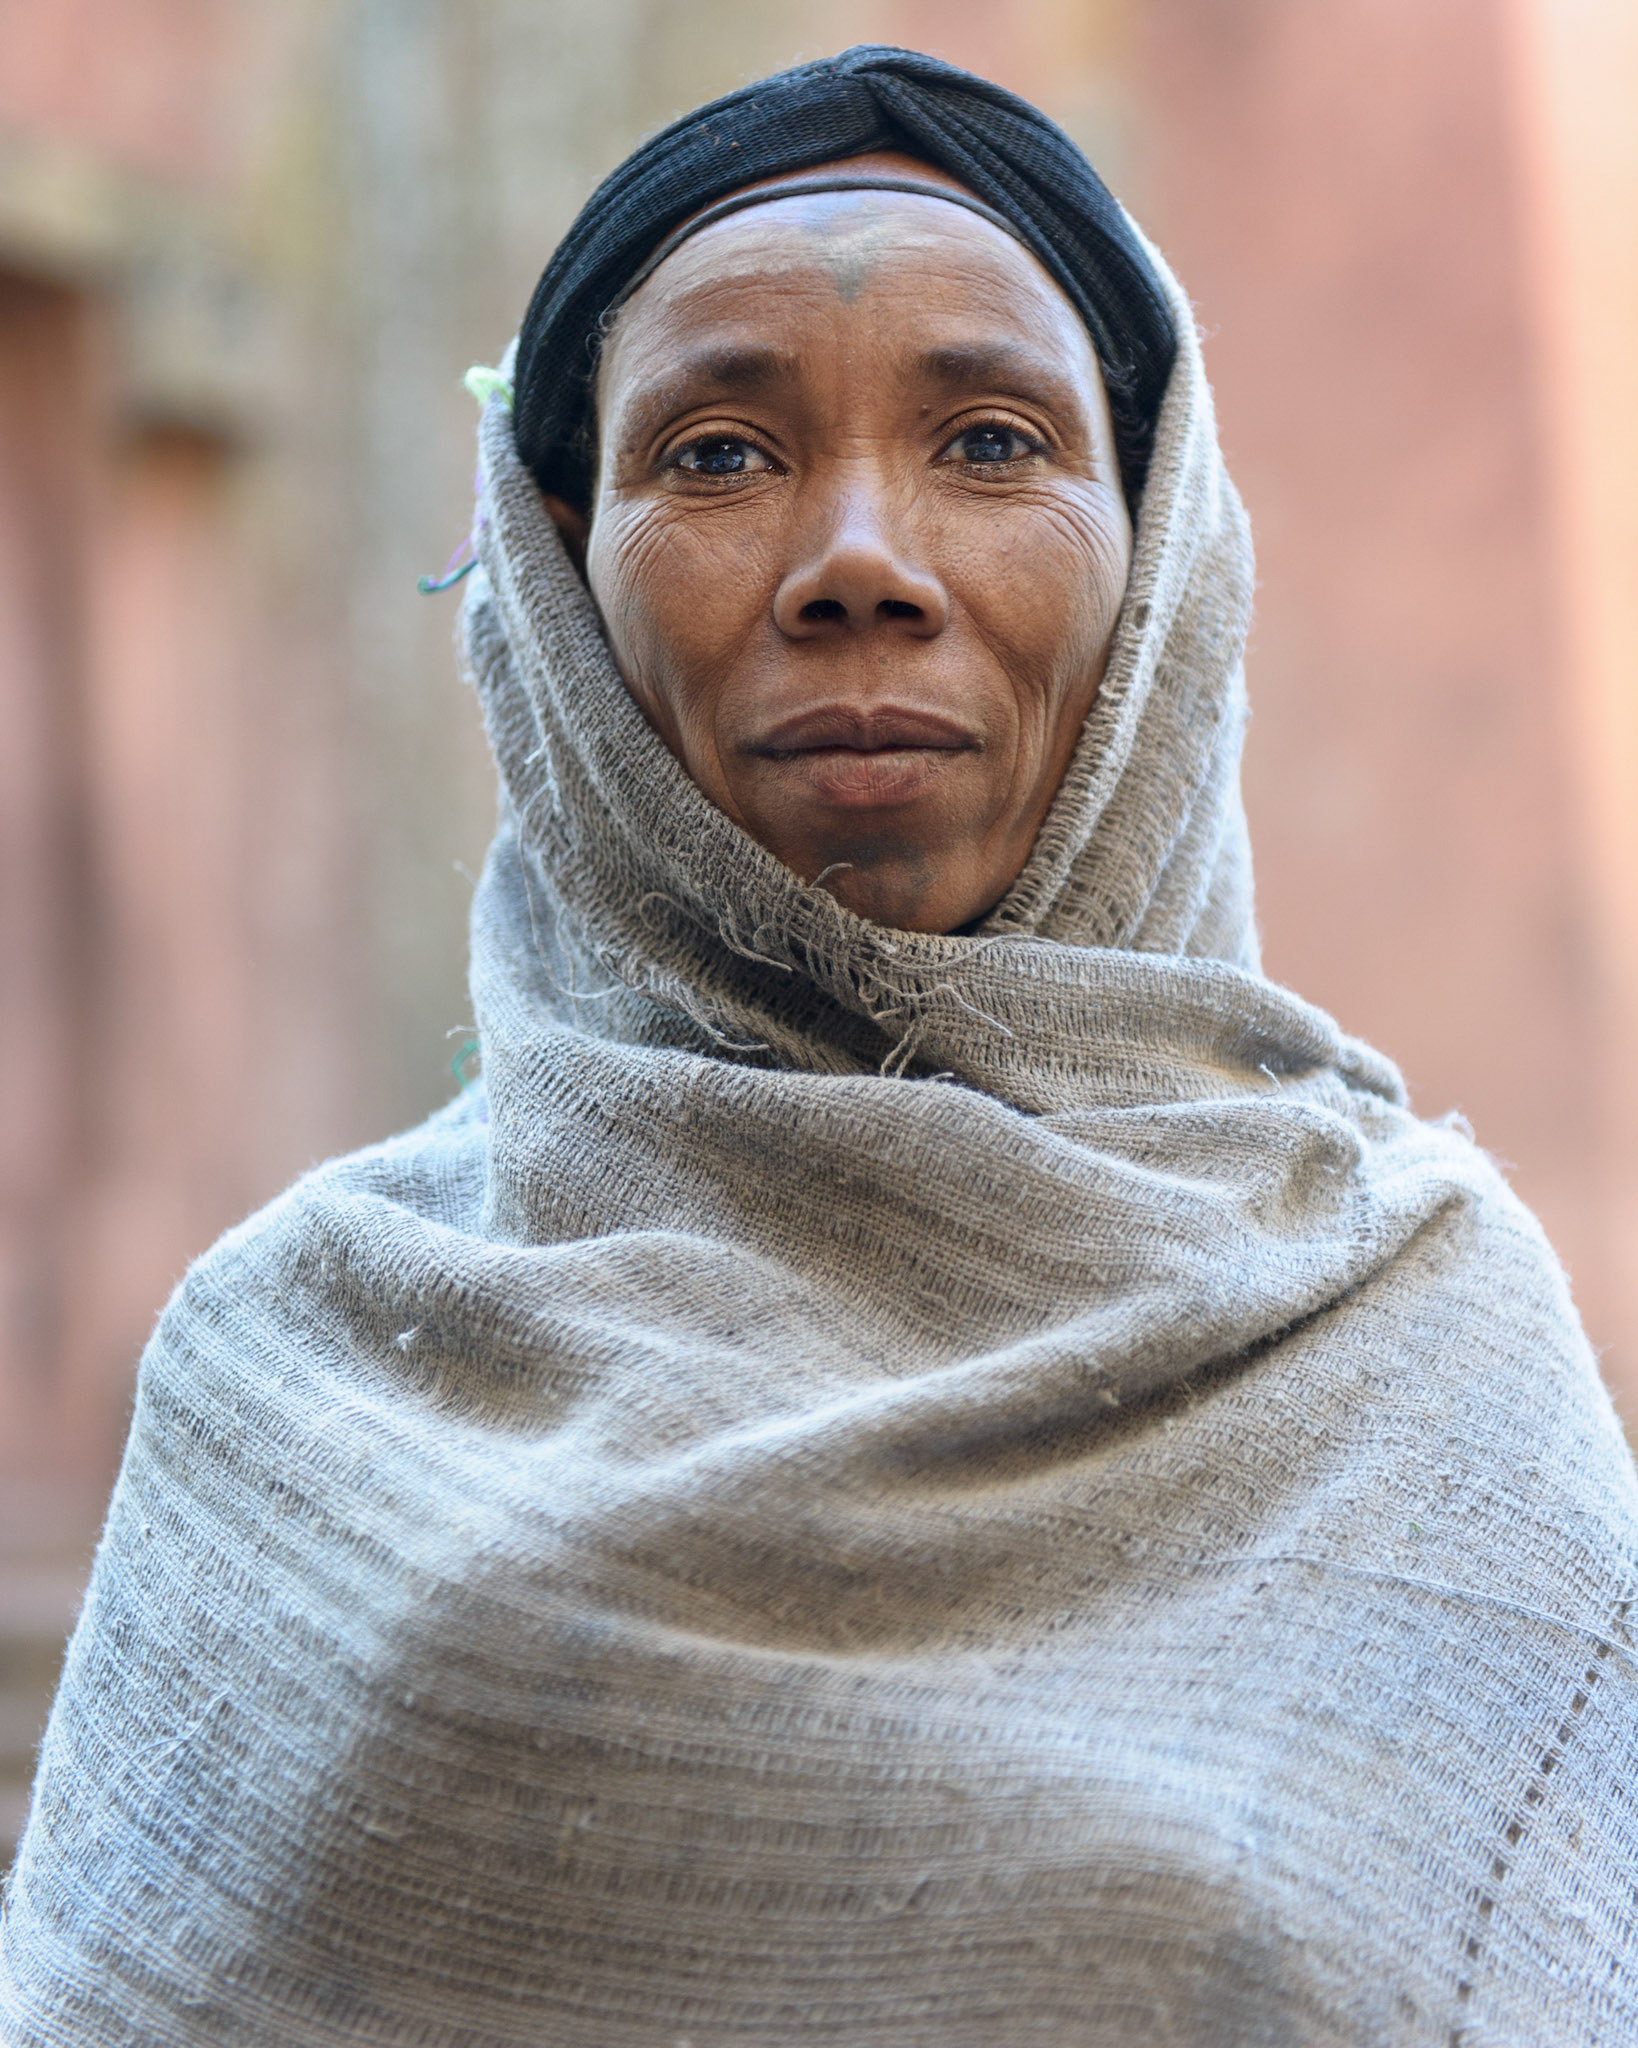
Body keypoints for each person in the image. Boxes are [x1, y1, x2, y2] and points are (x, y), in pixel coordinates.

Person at [4, 46, 1636, 2048]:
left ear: (1161, 556)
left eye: (991, 438)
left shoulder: (1408, 1340)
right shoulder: (304, 1366)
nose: (860, 557)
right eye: (713, 452)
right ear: (553, 578)